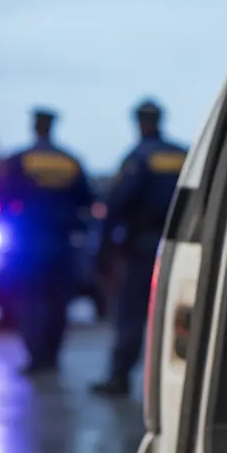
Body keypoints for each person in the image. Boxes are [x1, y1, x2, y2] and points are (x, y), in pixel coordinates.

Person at [91, 99, 187, 397]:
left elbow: (116, 204)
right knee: (176, 312)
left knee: (131, 311)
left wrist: (103, 250)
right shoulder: (184, 155)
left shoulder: (139, 157)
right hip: (183, 243)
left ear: (140, 122)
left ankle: (120, 377)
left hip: (143, 246)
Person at [0, 107, 94, 375]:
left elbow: (3, 200)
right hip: (63, 244)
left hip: (29, 244)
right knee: (58, 303)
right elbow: (87, 200)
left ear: (35, 127)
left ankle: (36, 358)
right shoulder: (70, 161)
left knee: (31, 301)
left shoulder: (21, 160)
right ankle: (52, 358)